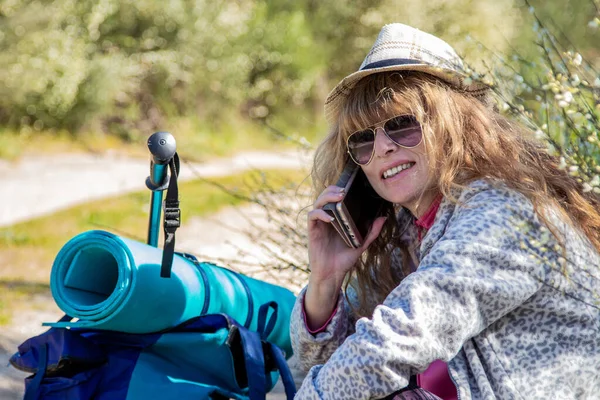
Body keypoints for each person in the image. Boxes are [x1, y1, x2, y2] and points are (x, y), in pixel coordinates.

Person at [290, 22, 600, 399]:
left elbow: (395, 343)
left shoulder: (502, 216)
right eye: (363, 139)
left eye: (402, 125)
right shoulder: (413, 231)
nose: (383, 147)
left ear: (457, 124)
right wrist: (325, 280)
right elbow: (324, 369)